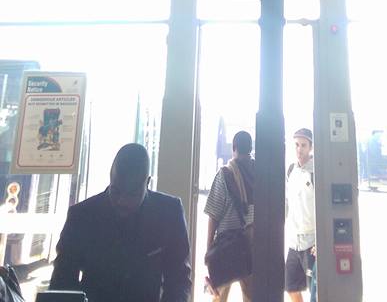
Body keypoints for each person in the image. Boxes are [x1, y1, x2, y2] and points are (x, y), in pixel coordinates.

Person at [49, 142, 191, 302]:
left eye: (132, 194)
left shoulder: (168, 212)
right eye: (116, 191)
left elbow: (179, 279)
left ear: (147, 182)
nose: (122, 201)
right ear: (110, 179)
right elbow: (63, 279)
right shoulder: (82, 215)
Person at [205, 129, 255, 302]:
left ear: (234, 148)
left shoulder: (225, 175)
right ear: (251, 148)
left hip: (226, 245)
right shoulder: (260, 174)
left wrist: (209, 249)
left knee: (219, 295)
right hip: (250, 244)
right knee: (251, 295)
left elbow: (213, 214)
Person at [285, 128, 315, 302]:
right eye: (296, 145)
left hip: (311, 242)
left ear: (311, 147)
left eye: (303, 145)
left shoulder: (315, 172)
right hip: (293, 242)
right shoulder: (291, 170)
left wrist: (320, 242)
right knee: (290, 287)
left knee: (315, 290)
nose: (299, 149)